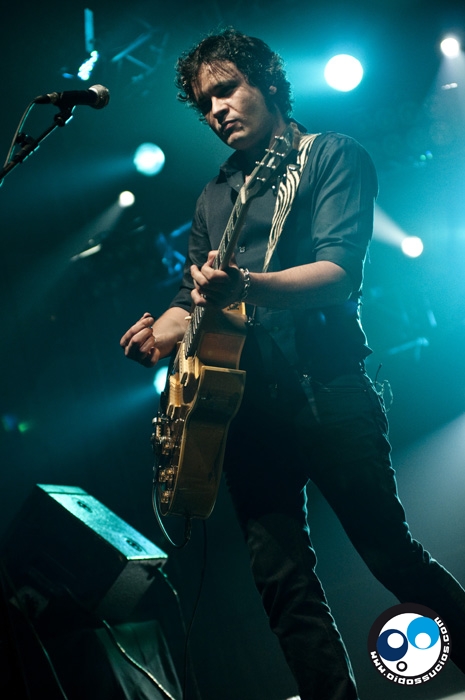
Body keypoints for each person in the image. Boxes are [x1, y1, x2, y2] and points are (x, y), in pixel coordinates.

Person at [120, 28, 465, 699]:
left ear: (268, 85)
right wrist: (157, 336)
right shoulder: (212, 196)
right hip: (245, 411)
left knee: (388, 555)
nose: (217, 108)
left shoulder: (331, 155)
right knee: (281, 584)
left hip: (326, 387)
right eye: (205, 102)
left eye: (227, 89)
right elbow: (190, 300)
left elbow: (338, 272)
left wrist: (246, 285)